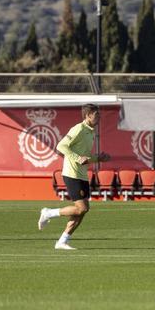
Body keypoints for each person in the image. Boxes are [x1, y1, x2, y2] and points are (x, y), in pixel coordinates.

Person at [37, 103, 111, 249]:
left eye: (99, 114)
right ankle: (48, 213)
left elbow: (85, 156)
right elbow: (61, 146)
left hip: (82, 175)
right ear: (88, 115)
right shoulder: (79, 129)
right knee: (81, 208)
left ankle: (62, 241)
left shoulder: (90, 132)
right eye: (96, 114)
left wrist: (98, 159)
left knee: (83, 210)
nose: (99, 117)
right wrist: (77, 158)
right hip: (72, 174)